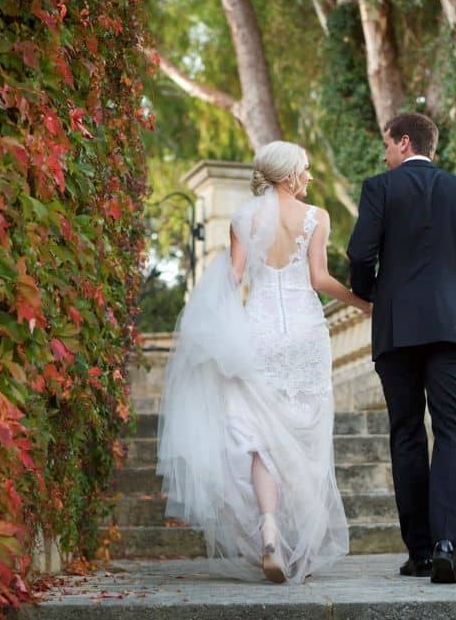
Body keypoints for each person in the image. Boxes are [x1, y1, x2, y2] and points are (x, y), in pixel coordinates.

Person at [156, 141, 370, 584]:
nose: (310, 177)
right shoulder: (316, 218)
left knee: (258, 437)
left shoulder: (242, 217)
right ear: (290, 174)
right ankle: (301, 542)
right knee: (304, 436)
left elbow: (234, 277)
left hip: (259, 333)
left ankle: (270, 528)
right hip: (306, 335)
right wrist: (360, 301)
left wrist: (213, 326)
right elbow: (318, 279)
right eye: (306, 170)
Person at [347, 112, 456, 584]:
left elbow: (360, 254)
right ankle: (447, 546)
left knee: (406, 433)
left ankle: (419, 552)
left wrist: (372, 296)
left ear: (404, 143)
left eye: (387, 144)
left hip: (397, 330)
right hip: (450, 329)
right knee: (452, 431)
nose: (384, 154)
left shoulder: (379, 188)